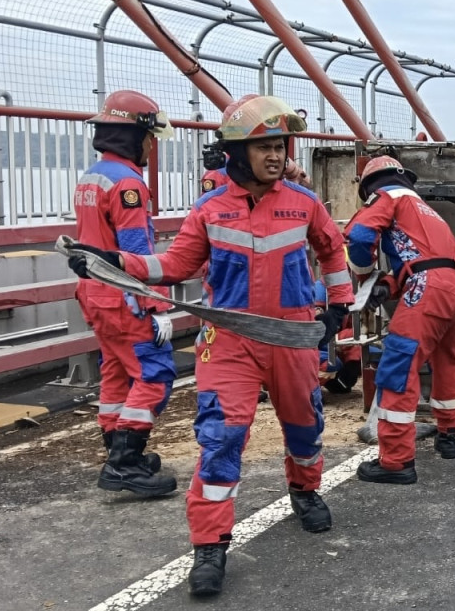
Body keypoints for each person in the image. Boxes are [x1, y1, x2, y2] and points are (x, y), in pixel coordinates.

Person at [65, 96, 353, 597]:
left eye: (280, 147)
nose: (276, 156)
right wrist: (107, 260)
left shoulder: (303, 203)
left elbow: (331, 251)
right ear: (237, 152)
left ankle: (305, 493)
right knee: (221, 438)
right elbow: (171, 267)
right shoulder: (209, 210)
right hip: (229, 343)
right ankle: (210, 546)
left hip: (292, 338)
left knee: (305, 425)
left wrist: (339, 307)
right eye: (264, 147)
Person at [71, 89, 178, 498]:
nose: (152, 145)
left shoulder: (92, 176)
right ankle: (125, 462)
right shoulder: (129, 184)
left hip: (93, 293)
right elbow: (135, 251)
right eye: (149, 137)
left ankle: (116, 452)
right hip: (122, 297)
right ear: (134, 136)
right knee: (154, 375)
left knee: (117, 373)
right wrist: (155, 306)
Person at [344, 155, 455, 485]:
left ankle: (396, 461)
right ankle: (449, 437)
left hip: (428, 289)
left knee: (397, 369)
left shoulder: (387, 197)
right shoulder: (427, 213)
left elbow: (358, 236)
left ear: (371, 186)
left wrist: (365, 277)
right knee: (448, 363)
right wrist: (386, 286)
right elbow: (420, 262)